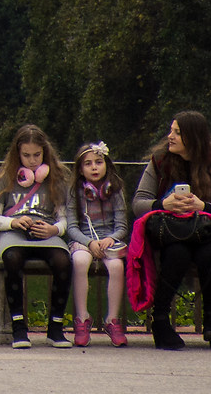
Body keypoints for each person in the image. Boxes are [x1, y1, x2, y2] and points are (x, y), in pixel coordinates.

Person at [131, 110, 211, 349]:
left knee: (210, 252)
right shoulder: (159, 161)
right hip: (169, 232)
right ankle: (160, 320)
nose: (170, 136)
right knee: (178, 252)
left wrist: (202, 206)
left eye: (177, 132)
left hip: (202, 231)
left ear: (193, 137)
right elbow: (138, 203)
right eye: (171, 131)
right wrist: (163, 204)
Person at [0, 123, 71, 347]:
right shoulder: (6, 180)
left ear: (45, 153)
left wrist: (54, 230)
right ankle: (19, 328)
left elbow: (65, 219)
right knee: (12, 258)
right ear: (17, 154)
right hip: (15, 234)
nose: (32, 161)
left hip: (46, 234)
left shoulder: (56, 180)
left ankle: (55, 328)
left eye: (37, 155)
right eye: (26, 155)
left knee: (63, 261)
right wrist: (12, 222)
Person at [63, 141, 129, 348]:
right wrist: (89, 242)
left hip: (109, 240)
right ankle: (82, 318)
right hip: (83, 239)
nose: (94, 167)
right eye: (88, 164)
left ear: (106, 164)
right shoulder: (75, 192)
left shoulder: (115, 190)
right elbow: (71, 227)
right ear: (80, 170)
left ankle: (112, 320)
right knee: (80, 261)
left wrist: (111, 239)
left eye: (99, 162)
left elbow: (122, 226)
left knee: (117, 266)